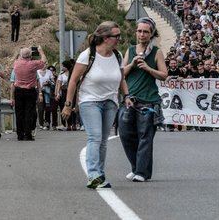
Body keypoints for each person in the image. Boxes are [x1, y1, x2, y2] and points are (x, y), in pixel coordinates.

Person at [62, 21, 129, 189]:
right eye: (116, 36)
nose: (119, 39)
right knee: (95, 137)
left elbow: (122, 79)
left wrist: (127, 95)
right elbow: (73, 81)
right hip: (89, 101)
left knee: (104, 141)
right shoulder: (88, 55)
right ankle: (93, 175)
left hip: (110, 102)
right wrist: (68, 104)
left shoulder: (117, 55)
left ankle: (99, 172)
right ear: (106, 38)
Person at [118, 17, 167, 183]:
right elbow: (121, 74)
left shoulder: (156, 52)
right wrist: (132, 64)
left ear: (151, 33)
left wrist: (147, 68)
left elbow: (164, 75)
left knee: (145, 136)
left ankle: (142, 172)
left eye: (146, 31)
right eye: (139, 31)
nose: (142, 34)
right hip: (129, 99)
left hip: (149, 100)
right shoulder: (130, 50)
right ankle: (135, 167)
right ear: (135, 32)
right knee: (125, 134)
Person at [12, 46, 47, 141]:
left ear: (20, 55)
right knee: (29, 113)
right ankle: (28, 134)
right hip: (30, 91)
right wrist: (41, 51)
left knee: (19, 113)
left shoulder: (16, 63)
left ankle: (20, 134)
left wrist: (21, 53)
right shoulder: (33, 64)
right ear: (30, 55)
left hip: (18, 90)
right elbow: (43, 61)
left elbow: (16, 58)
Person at [55, 60, 75, 131]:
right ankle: (63, 124)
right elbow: (59, 85)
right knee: (63, 107)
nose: (62, 67)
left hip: (71, 92)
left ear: (67, 66)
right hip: (63, 92)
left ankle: (71, 124)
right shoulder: (61, 74)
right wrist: (57, 94)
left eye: (63, 66)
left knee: (71, 107)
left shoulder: (72, 73)